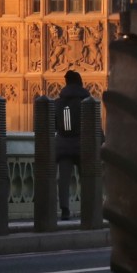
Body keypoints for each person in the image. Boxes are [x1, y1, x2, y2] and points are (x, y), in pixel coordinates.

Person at [53, 70, 91, 220]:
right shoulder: (87, 101)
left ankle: (65, 210)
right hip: (83, 144)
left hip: (63, 145)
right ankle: (88, 208)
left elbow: (54, 124)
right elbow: (93, 124)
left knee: (63, 179)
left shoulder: (58, 102)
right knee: (87, 178)